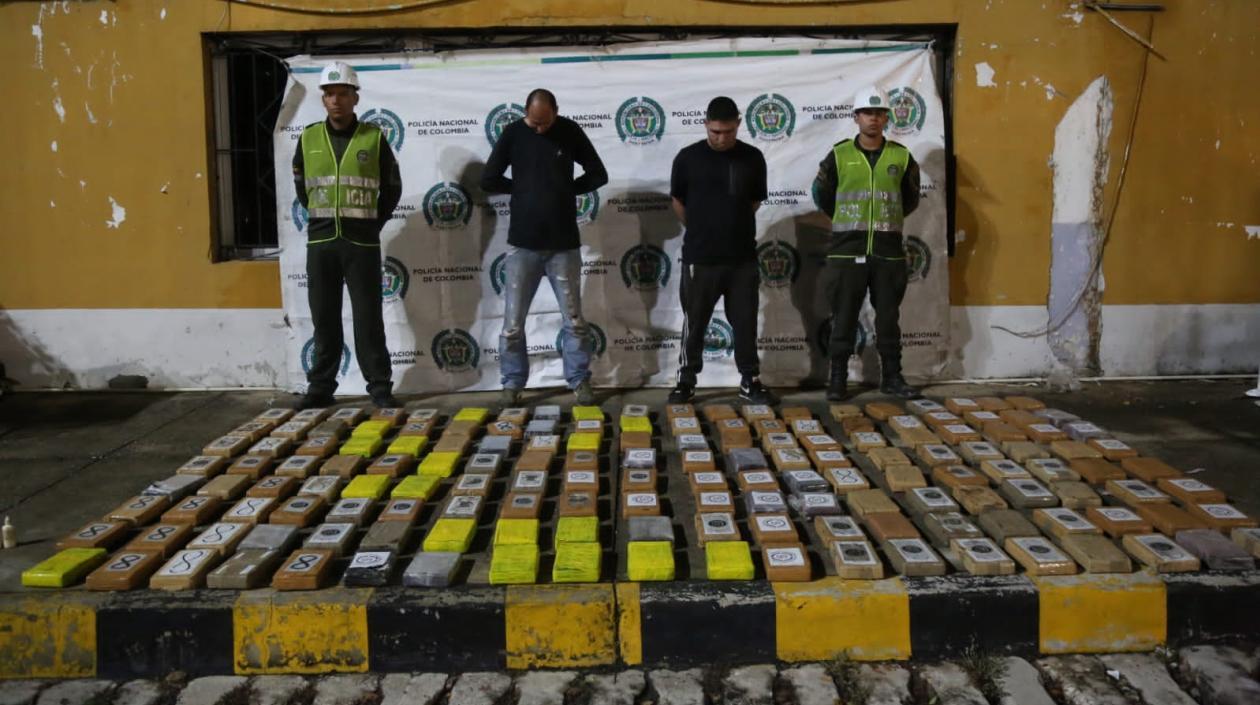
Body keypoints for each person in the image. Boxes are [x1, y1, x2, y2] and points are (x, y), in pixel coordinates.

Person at [481, 88, 608, 406]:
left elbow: (598, 173)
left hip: (564, 245)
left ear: (556, 112)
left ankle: (579, 380)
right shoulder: (513, 133)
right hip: (522, 245)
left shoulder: (569, 131)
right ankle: (511, 383)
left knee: (574, 321)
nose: (540, 129)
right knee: (512, 325)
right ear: (527, 112)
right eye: (535, 123)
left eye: (545, 123)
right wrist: (521, 190)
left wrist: (567, 190)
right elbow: (489, 178)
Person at [291, 61, 403, 409]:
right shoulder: (308, 137)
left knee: (368, 320)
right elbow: (302, 189)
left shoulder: (374, 137)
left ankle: (380, 388)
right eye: (329, 94)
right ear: (322, 100)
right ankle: (321, 388)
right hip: (321, 244)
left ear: (355, 97)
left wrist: (372, 223)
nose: (336, 100)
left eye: (342, 93)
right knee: (324, 319)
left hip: (362, 244)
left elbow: (392, 188)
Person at [812, 85, 922, 401]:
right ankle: (837, 381)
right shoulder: (838, 155)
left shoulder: (901, 157)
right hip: (847, 251)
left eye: (879, 113)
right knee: (843, 319)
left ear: (887, 117)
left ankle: (893, 378)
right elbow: (822, 195)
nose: (873, 119)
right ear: (856, 117)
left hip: (888, 255)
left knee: (888, 320)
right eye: (867, 113)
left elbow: (910, 199)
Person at [667, 96, 776, 405]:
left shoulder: (753, 158)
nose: (721, 137)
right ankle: (686, 383)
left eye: (728, 131)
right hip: (700, 258)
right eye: (715, 131)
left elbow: (754, 201)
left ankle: (750, 381)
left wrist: (731, 225)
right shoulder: (687, 158)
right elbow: (678, 201)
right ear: (705, 124)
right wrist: (703, 230)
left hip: (742, 258)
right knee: (695, 322)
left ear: (738, 125)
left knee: (745, 322)